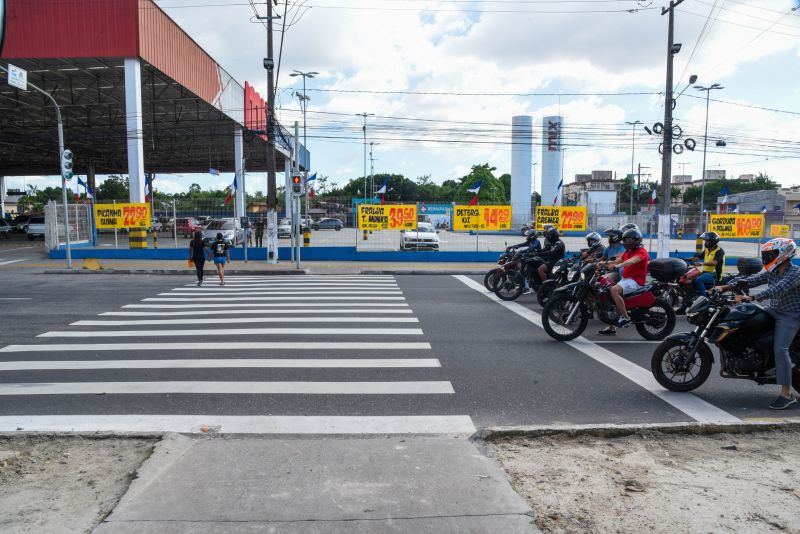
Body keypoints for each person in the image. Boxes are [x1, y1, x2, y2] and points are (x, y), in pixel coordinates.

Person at [717, 238, 800, 410]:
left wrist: (753, 297)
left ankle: (786, 394)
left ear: (784, 255)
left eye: (771, 254)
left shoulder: (795, 272)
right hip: (773, 310)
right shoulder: (773, 271)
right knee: (747, 322)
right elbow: (753, 280)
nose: (767, 257)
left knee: (781, 349)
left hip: (790, 315)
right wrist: (724, 287)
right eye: (767, 254)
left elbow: (777, 289)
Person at [599, 228, 649, 328]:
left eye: (629, 240)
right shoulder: (629, 251)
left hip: (635, 281)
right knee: (606, 289)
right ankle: (612, 324)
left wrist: (618, 266)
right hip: (626, 280)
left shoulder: (641, 252)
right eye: (625, 239)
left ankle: (626, 318)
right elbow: (619, 260)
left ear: (637, 240)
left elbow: (632, 261)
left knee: (614, 290)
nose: (626, 242)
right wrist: (604, 263)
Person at [677, 231, 724, 314]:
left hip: (715, 274)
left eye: (707, 241)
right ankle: (683, 307)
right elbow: (697, 257)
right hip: (705, 272)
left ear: (712, 242)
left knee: (698, 280)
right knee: (689, 283)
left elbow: (714, 263)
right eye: (705, 241)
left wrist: (702, 263)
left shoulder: (719, 251)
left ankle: (705, 303)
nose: (705, 242)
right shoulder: (707, 250)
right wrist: (685, 259)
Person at [596, 228, 626, 336]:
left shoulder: (621, 248)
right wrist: (595, 263)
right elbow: (601, 259)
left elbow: (617, 261)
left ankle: (612, 324)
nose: (608, 238)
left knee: (604, 282)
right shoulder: (609, 248)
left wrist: (606, 263)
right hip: (610, 271)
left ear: (615, 237)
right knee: (597, 281)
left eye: (609, 236)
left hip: (618, 273)